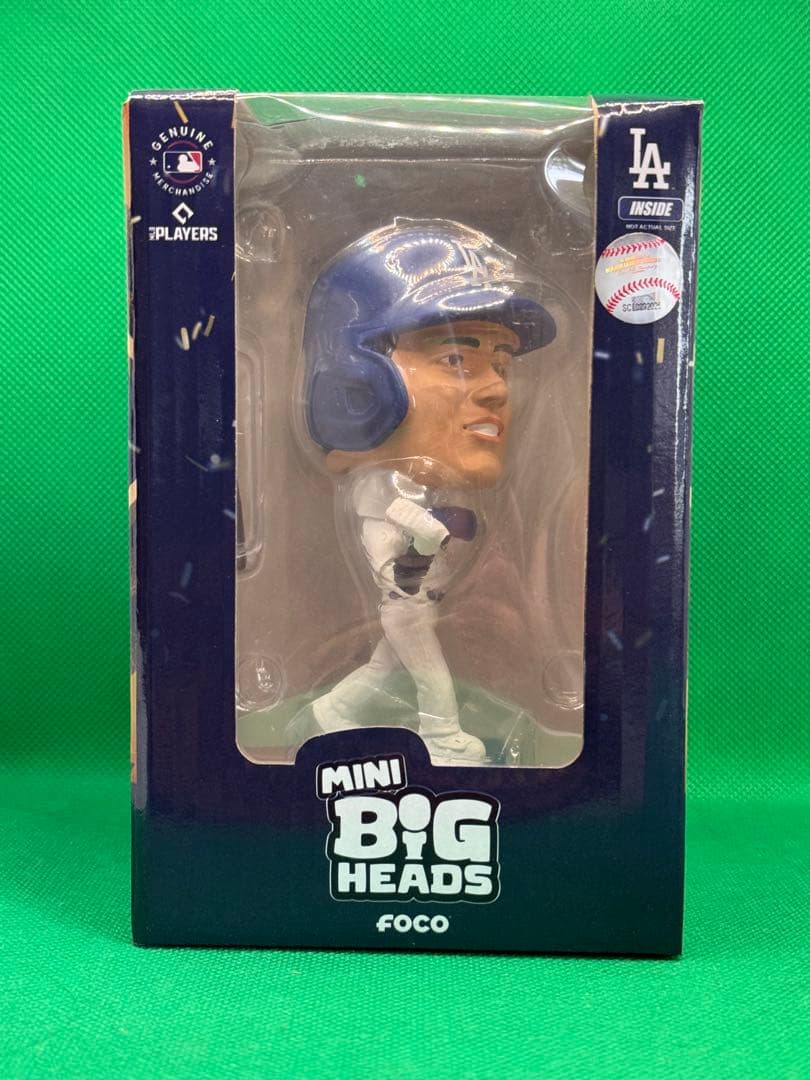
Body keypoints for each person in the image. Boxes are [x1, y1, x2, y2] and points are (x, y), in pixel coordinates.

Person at [302, 219, 556, 763]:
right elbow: (404, 556)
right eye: (456, 360)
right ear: (361, 385)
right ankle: (442, 738)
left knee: (381, 667)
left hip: (421, 603)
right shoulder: (378, 490)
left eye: (502, 365)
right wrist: (436, 533)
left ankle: (332, 713)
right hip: (407, 607)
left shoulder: (420, 490)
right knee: (432, 676)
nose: (496, 389)